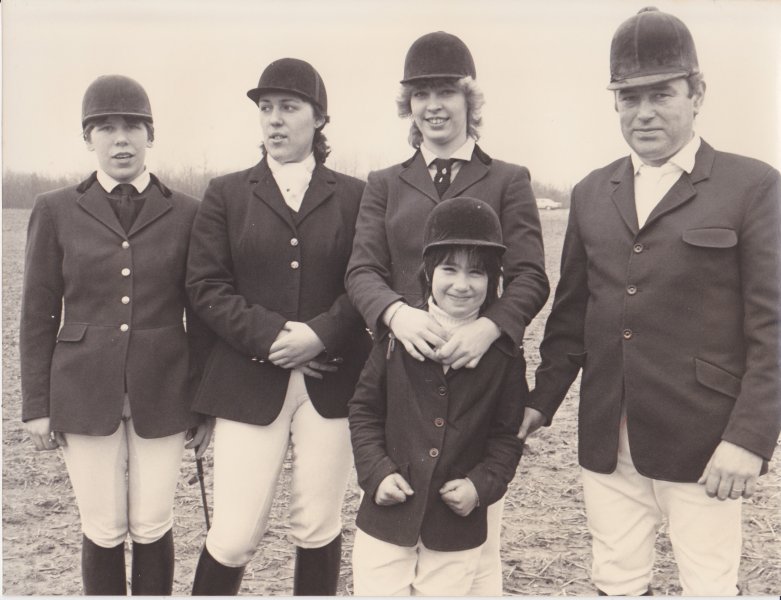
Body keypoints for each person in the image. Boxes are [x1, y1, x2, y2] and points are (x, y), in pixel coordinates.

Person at [519, 7, 781, 596]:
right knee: (615, 581)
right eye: (628, 97)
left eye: (661, 94)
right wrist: (538, 404)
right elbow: (571, 320)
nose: (643, 113)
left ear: (697, 93)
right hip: (607, 438)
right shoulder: (591, 192)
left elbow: (773, 329)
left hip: (706, 443)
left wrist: (748, 438)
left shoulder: (753, 186)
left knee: (709, 586)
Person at [345, 31, 548, 595]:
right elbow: (362, 271)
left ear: (469, 100)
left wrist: (490, 329)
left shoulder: (508, 179)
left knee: (475, 544)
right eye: (421, 94)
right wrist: (396, 315)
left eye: (446, 92)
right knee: (391, 537)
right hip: (404, 372)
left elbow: (531, 275)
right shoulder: (385, 184)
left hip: (479, 374)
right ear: (408, 105)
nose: (433, 106)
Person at [19, 74, 213, 595]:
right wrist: (37, 405)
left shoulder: (188, 211)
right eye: (105, 128)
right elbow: (37, 313)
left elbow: (202, 317)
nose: (121, 139)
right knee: (102, 526)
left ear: (151, 134)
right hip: (82, 389)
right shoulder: (55, 209)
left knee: (152, 522)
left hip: (165, 390)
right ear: (88, 138)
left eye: (133, 126)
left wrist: (203, 404)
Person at [186, 58, 371, 596]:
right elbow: (206, 286)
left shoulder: (356, 195)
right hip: (247, 381)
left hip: (331, 381)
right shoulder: (226, 193)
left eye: (289, 107)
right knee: (233, 535)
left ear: (320, 118)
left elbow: (367, 279)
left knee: (318, 525)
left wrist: (320, 334)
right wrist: (273, 340)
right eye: (266, 108)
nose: (274, 119)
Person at [349, 196, 525, 596]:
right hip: (388, 514)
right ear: (428, 271)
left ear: (493, 280)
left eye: (477, 272)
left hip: (455, 525)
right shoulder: (396, 336)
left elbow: (507, 436)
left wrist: (480, 487)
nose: (462, 285)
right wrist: (377, 473)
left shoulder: (504, 354)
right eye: (449, 269)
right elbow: (364, 411)